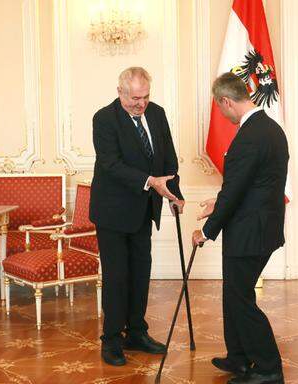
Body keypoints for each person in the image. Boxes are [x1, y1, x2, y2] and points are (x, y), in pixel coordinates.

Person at [193, 72, 288, 384]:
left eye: (220, 107)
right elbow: (249, 185)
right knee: (234, 293)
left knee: (240, 299)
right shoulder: (270, 128)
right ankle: (239, 357)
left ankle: (268, 367)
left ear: (226, 101)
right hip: (258, 226)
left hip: (250, 231)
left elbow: (235, 191)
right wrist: (215, 202)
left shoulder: (250, 136)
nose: (221, 113)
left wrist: (207, 231)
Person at [90, 66, 185, 366]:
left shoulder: (156, 113)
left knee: (141, 273)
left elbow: (167, 156)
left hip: (144, 210)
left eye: (144, 97)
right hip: (113, 212)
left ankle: (136, 332)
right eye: (134, 98)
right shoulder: (104, 119)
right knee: (117, 277)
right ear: (120, 92)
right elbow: (111, 164)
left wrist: (174, 193)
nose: (140, 103)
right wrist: (150, 182)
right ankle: (111, 340)